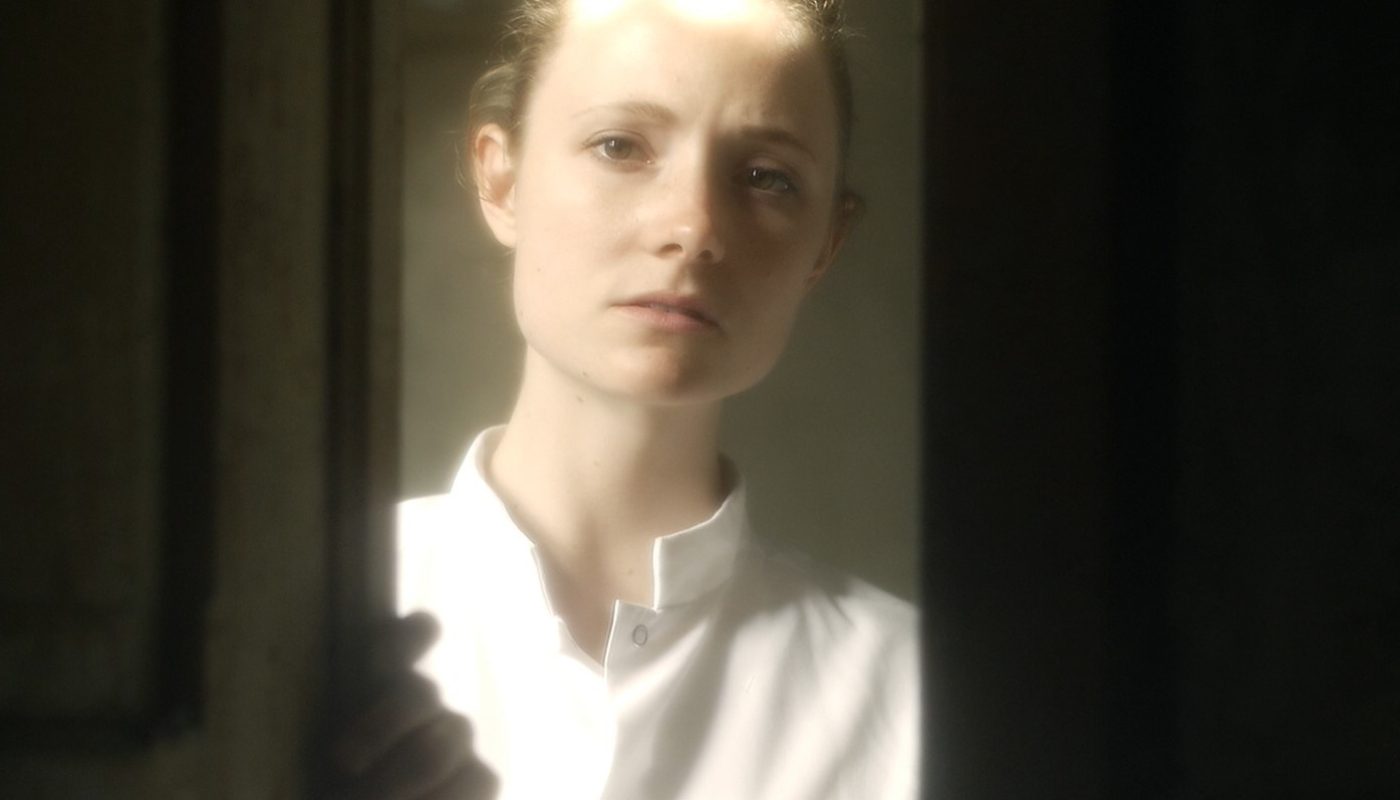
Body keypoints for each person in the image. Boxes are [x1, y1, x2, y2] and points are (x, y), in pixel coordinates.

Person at [332, 0, 919, 797]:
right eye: (619, 146)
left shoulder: (915, 702)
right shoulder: (304, 617)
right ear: (501, 179)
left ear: (825, 245)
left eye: (766, 177)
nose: (693, 227)